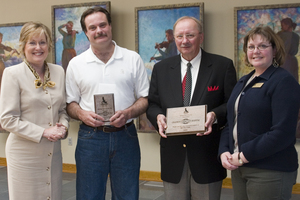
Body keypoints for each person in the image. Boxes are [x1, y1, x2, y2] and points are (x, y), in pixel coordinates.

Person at [146, 16, 237, 200]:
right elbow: (153, 104)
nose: (184, 41)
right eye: (179, 36)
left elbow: (232, 104)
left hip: (207, 156)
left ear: (201, 37)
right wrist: (158, 117)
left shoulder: (222, 66)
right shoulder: (161, 69)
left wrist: (214, 115)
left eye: (190, 35)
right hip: (173, 156)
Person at [65, 7, 149, 200]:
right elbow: (70, 103)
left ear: (110, 26)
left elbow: (145, 98)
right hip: (90, 138)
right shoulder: (76, 64)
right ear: (86, 33)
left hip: (125, 136)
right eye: (92, 27)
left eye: (102, 25)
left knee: (127, 195)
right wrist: (81, 114)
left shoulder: (132, 58)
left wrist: (128, 113)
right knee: (89, 195)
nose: (98, 31)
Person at [219, 25, 300, 200]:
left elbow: (282, 132)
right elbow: (231, 121)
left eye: (262, 46)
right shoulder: (243, 81)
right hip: (240, 168)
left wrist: (243, 154)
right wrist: (224, 150)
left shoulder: (284, 81)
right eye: (251, 47)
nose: (256, 51)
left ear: (275, 49)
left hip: (270, 170)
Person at [0, 22, 69, 200]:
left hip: (52, 153)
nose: (38, 47)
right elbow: (7, 119)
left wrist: (63, 127)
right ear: (23, 46)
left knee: (52, 196)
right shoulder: (12, 74)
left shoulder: (58, 71)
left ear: (49, 46)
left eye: (42, 42)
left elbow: (62, 109)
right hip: (24, 154)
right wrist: (44, 132)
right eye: (32, 43)